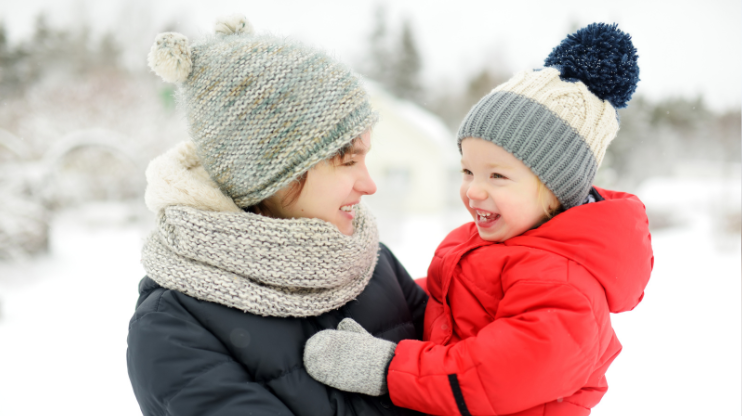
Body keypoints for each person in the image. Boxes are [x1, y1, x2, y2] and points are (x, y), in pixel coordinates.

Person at [303, 23, 653, 416]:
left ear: (557, 190)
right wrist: (370, 297)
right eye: (467, 172)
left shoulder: (563, 286)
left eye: (497, 176)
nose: (473, 191)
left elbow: (490, 376)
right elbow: (446, 303)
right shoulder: (489, 242)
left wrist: (386, 368)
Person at [126, 14, 427, 416]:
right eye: (347, 161)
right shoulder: (174, 330)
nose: (369, 185)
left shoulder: (372, 261)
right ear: (271, 171)